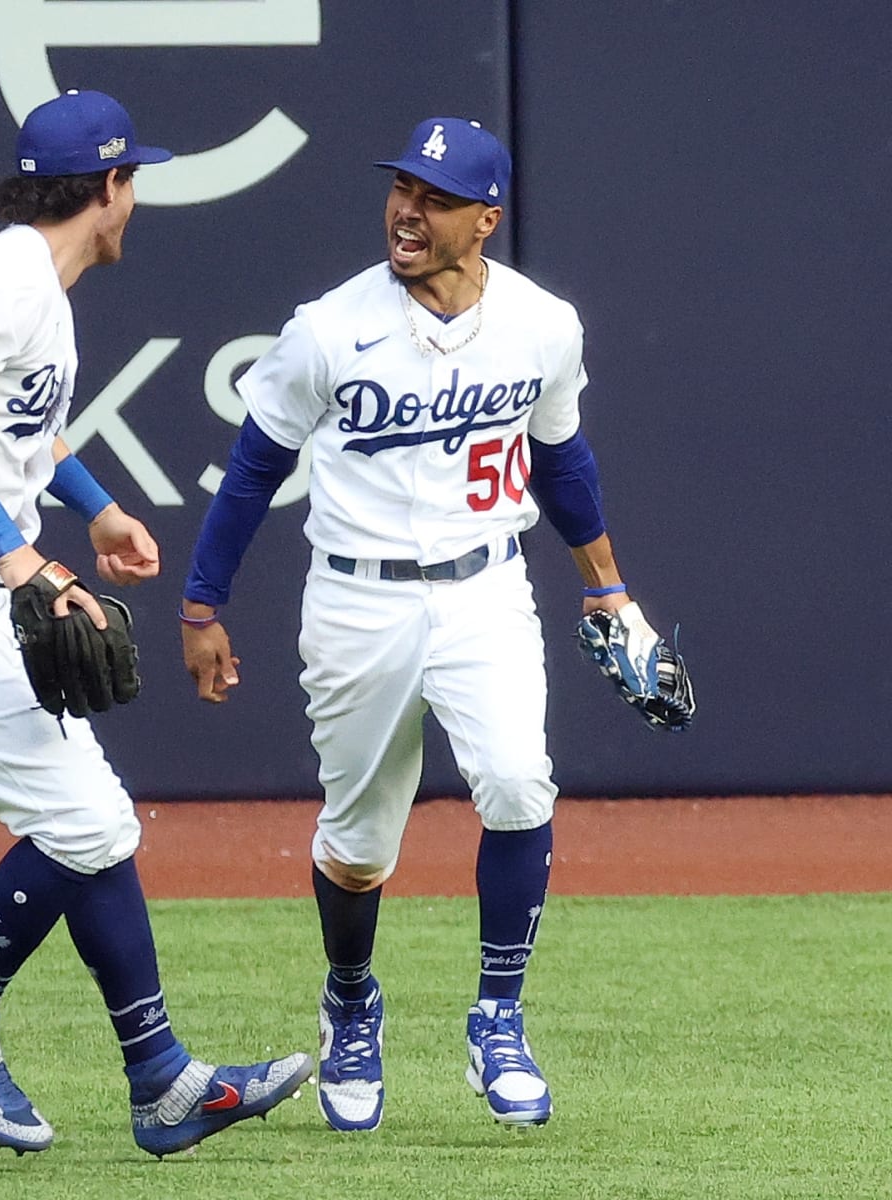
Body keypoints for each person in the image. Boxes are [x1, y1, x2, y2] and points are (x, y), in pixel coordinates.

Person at [0, 89, 310, 1159]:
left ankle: (161, 1082)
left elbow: (14, 427)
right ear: (112, 187)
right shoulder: (9, 276)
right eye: (138, 181)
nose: (139, 202)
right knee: (86, 820)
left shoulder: (27, 278)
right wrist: (25, 554)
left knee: (95, 821)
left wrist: (96, 509)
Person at [180, 116, 682, 1132]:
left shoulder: (544, 325)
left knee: (515, 782)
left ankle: (499, 1015)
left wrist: (608, 588)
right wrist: (202, 604)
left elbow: (563, 461)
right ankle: (352, 1002)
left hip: (485, 589)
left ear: (485, 220)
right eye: (402, 189)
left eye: (438, 198)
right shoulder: (327, 328)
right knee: (360, 842)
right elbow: (252, 472)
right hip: (357, 599)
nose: (409, 211)